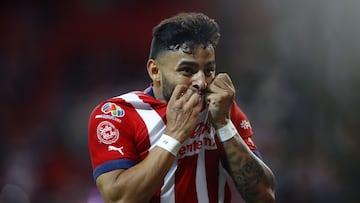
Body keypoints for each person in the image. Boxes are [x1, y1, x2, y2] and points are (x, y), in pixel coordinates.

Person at [88, 12, 275, 203]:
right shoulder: (118, 114)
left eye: (209, 70)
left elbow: (264, 196)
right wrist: (174, 136)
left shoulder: (220, 107)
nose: (201, 82)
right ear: (155, 71)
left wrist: (224, 124)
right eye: (187, 70)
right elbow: (119, 199)